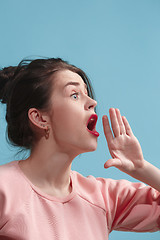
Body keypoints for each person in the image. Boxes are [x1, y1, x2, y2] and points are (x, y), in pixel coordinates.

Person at [0, 58, 159, 239]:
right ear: (40, 118)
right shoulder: (4, 188)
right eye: (75, 95)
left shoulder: (102, 197)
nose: (93, 102)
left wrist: (141, 168)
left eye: (87, 93)